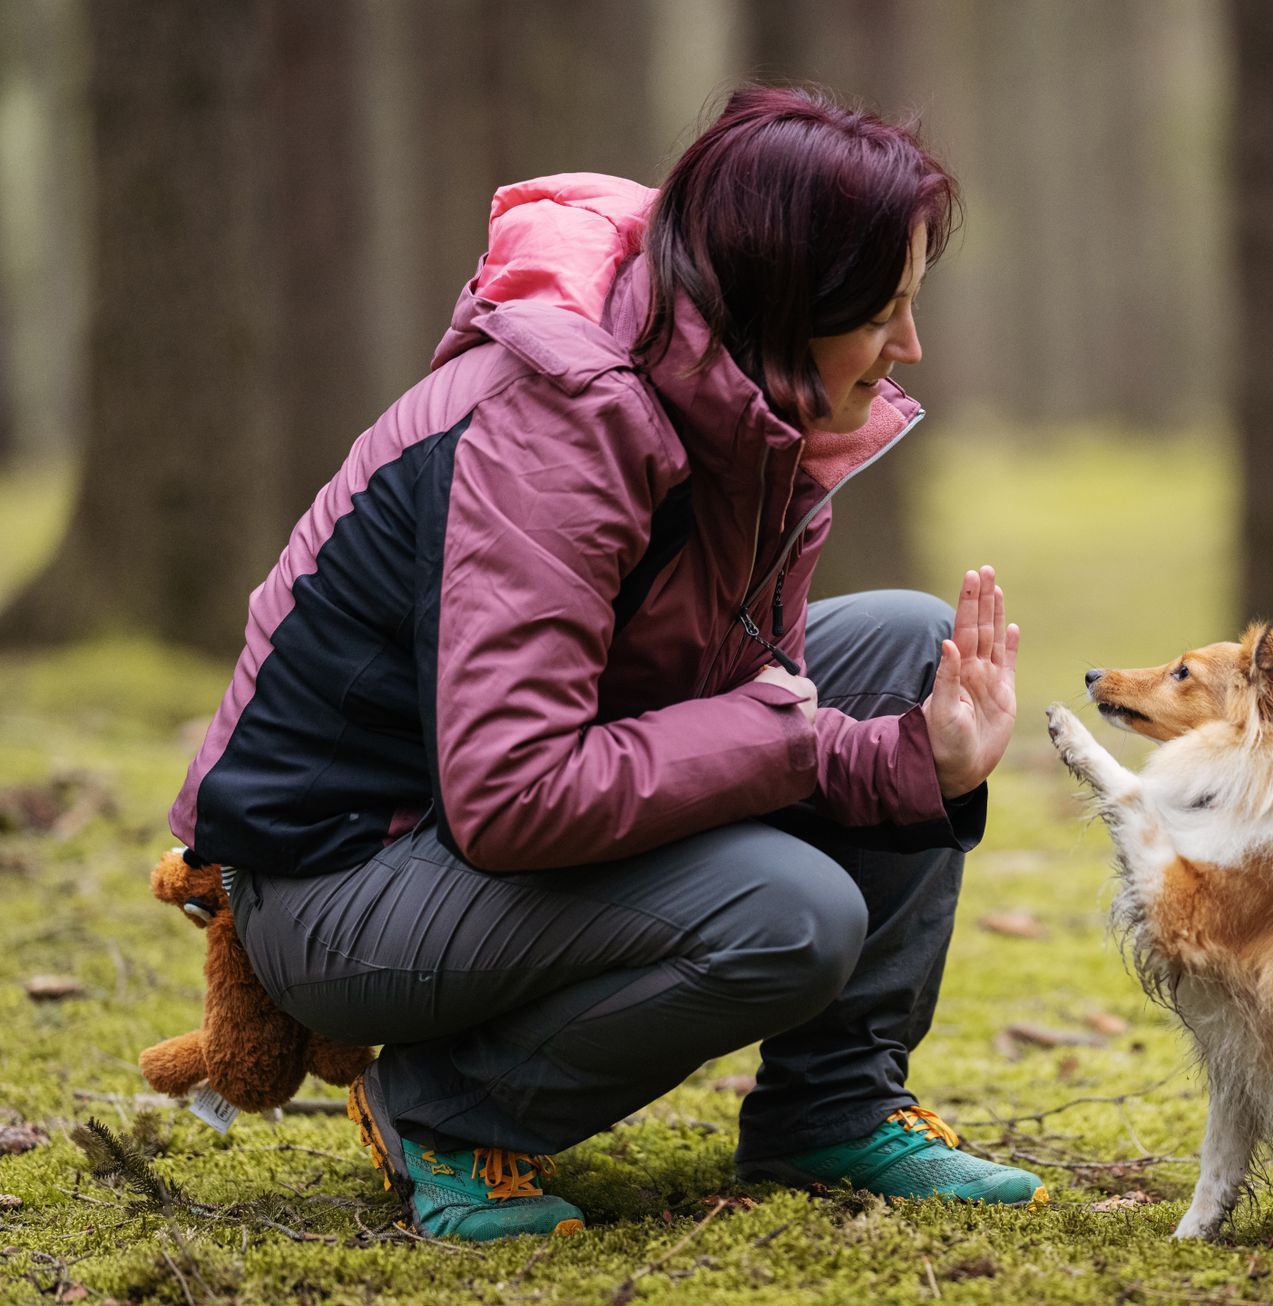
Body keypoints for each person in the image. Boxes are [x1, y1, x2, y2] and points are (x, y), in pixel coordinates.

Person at [166, 86, 1043, 1242]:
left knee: (899, 646)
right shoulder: (562, 428)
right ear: (786, 306)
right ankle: (439, 1109)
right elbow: (517, 793)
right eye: (883, 311)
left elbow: (750, 696)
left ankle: (829, 1106)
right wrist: (803, 745)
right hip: (337, 885)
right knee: (791, 914)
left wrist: (920, 756)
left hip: (463, 824)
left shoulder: (751, 407)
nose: (908, 346)